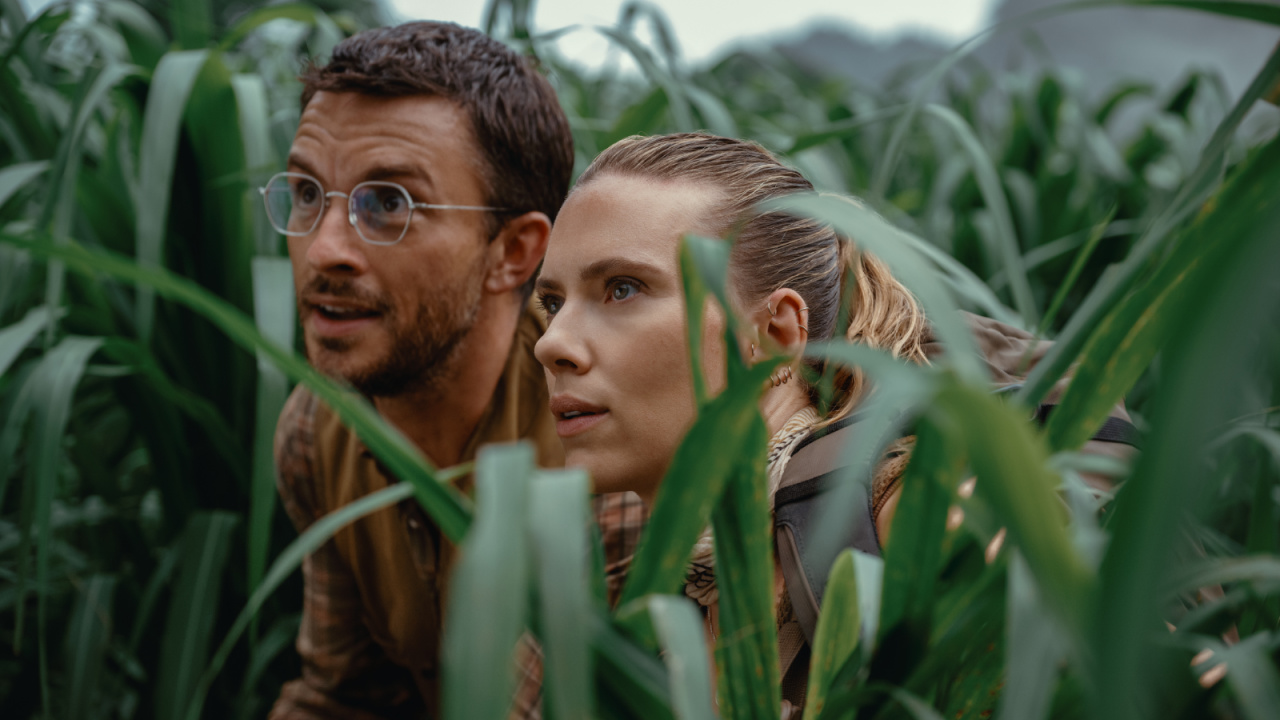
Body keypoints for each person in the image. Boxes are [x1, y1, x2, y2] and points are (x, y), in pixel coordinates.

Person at [532, 132, 1137, 716]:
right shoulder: (646, 584)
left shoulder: (919, 527)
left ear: (774, 336)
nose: (552, 344)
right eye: (553, 302)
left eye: (623, 289)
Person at [269, 22, 574, 719]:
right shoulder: (318, 433)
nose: (324, 251)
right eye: (307, 194)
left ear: (515, 252)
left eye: (388, 205)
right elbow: (344, 697)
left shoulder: (600, 438)